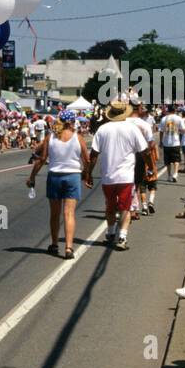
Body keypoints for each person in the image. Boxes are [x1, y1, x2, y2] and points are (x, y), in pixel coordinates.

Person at [83, 100, 149, 251]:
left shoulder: (102, 129)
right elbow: (144, 150)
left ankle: (111, 232)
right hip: (126, 176)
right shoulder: (132, 129)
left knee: (110, 206)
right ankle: (122, 236)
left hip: (108, 176)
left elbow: (93, 155)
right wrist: (149, 167)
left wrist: (89, 173)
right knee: (125, 208)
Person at [26, 110, 89, 259]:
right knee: (69, 213)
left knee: (55, 214)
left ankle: (54, 244)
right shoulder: (78, 138)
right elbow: (86, 159)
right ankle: (68, 248)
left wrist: (32, 177)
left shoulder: (51, 137)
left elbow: (41, 159)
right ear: (72, 122)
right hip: (72, 176)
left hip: (54, 177)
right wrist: (87, 174)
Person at [131, 102, 158, 216]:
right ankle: (133, 208)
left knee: (126, 183)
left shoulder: (121, 123)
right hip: (139, 156)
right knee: (136, 184)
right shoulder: (144, 125)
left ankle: (132, 207)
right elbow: (150, 146)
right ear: (139, 109)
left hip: (123, 156)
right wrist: (151, 165)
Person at [160, 107, 185, 182]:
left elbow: (161, 131)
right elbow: (183, 129)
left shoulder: (164, 119)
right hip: (175, 142)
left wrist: (161, 141)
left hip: (166, 142)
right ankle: (175, 173)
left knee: (167, 161)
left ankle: (169, 175)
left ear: (168, 111)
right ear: (175, 110)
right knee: (176, 159)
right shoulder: (179, 118)